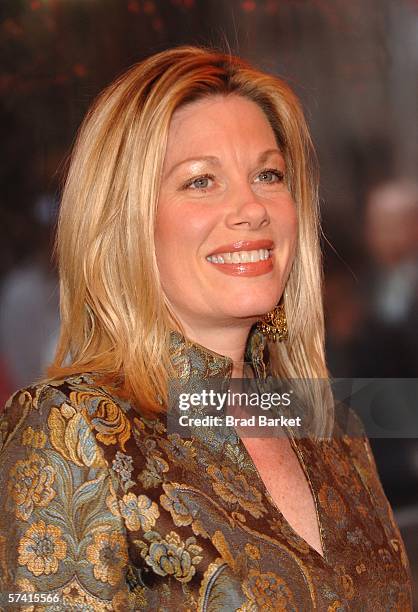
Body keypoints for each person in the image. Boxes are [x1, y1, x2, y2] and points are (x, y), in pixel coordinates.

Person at [0, 46, 412, 611]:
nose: (251, 207)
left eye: (268, 174)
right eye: (200, 181)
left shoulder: (330, 424)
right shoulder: (73, 431)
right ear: (127, 221)